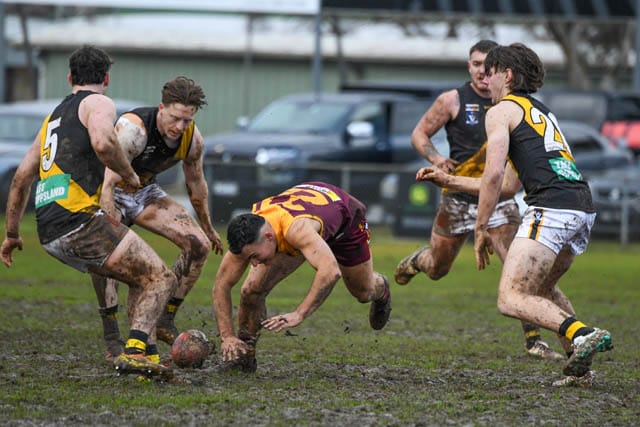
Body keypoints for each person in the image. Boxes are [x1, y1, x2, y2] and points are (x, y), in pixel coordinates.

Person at [0, 45, 176, 377]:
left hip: (49, 232)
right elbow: (103, 143)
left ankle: (148, 356)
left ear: (69, 78)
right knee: (162, 277)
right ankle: (133, 353)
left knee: (141, 278)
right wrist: (128, 173)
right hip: (79, 221)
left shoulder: (53, 118)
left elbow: (21, 178)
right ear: (106, 79)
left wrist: (11, 234)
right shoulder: (98, 102)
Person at [393, 40, 563, 360]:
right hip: (458, 197)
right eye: (475, 64)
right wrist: (437, 158)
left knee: (516, 265)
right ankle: (418, 261)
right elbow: (419, 134)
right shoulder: (452, 100)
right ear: (468, 66)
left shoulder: (513, 103)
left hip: (498, 198)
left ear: (502, 70)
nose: (482, 72)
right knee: (438, 268)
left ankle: (533, 339)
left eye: (488, 65)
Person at [475, 42, 612, 380]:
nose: (484, 80)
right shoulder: (540, 111)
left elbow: (493, 175)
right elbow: (510, 184)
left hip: (551, 207)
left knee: (511, 298)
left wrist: (480, 227)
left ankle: (583, 335)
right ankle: (580, 371)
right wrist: (449, 179)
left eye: (490, 73)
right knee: (542, 290)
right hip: (580, 206)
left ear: (507, 75)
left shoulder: (501, 111)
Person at [90, 76, 224, 363]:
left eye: (187, 120)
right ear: (162, 108)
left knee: (199, 245)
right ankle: (112, 336)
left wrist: (208, 228)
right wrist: (108, 227)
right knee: (108, 262)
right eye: (175, 118)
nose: (180, 127)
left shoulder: (192, 139)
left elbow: (197, 186)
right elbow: (108, 183)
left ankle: (164, 318)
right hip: (109, 190)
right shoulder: (133, 130)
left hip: (144, 191)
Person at [212, 182, 391, 372]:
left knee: (364, 292)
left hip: (346, 223)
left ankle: (382, 288)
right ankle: (244, 356)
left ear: (269, 236)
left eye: (255, 256)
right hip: (304, 221)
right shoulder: (248, 234)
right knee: (251, 290)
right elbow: (221, 285)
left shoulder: (296, 230)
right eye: (249, 258)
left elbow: (330, 271)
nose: (254, 263)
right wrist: (227, 336)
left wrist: (299, 313)